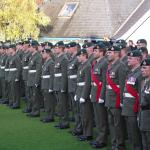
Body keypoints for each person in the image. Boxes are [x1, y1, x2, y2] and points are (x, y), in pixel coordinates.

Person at [105, 45, 126, 150]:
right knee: (112, 124)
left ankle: (120, 145)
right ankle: (114, 144)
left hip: (116, 99)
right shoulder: (111, 65)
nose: (108, 54)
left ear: (117, 53)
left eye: (110, 53)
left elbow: (122, 86)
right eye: (108, 52)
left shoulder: (121, 66)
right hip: (110, 99)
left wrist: (122, 101)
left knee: (118, 125)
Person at [122, 50, 142, 150]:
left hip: (134, 107)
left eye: (130, 58)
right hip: (127, 106)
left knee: (135, 134)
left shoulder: (140, 73)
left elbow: (140, 94)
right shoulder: (132, 72)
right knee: (130, 133)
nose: (128, 60)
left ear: (138, 59)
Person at [90, 42, 108, 148]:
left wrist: (101, 96)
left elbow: (105, 81)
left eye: (96, 51)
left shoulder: (104, 63)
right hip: (94, 91)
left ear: (101, 52)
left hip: (100, 92)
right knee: (97, 118)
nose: (93, 52)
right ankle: (99, 138)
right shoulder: (95, 62)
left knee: (101, 118)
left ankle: (102, 140)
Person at [75, 49, 93, 141]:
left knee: (86, 115)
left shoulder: (87, 66)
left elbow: (87, 82)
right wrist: (77, 93)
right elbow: (79, 81)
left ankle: (88, 134)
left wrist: (84, 96)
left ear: (84, 55)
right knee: (82, 114)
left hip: (84, 93)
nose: (77, 58)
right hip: (80, 91)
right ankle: (84, 132)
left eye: (79, 56)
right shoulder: (82, 65)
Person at [53, 41, 69, 129]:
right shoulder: (57, 58)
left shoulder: (64, 59)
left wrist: (63, 87)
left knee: (63, 104)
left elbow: (64, 74)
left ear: (61, 48)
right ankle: (61, 121)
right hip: (57, 84)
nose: (55, 49)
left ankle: (65, 122)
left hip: (61, 85)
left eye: (57, 48)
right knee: (59, 104)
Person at [27, 40, 42, 117]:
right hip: (30, 78)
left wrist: (36, 81)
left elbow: (38, 70)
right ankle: (33, 110)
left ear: (34, 47)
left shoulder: (38, 56)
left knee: (35, 96)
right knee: (31, 95)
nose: (29, 48)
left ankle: (36, 111)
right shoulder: (32, 55)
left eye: (30, 47)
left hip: (34, 79)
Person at [40, 48, 55, 123]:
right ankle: (47, 115)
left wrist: (51, 87)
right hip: (45, 83)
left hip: (48, 84)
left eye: (44, 53)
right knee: (46, 101)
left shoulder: (51, 62)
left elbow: (52, 75)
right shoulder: (46, 62)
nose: (42, 54)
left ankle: (50, 116)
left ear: (48, 54)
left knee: (49, 101)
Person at [139, 58, 150, 150]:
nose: (142, 70)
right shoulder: (145, 81)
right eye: (142, 68)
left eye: (145, 68)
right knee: (145, 143)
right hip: (143, 117)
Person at [7, 44, 22, 109]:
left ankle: (16, 103)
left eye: (10, 49)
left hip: (14, 75)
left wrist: (17, 77)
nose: (9, 50)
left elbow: (19, 68)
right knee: (11, 90)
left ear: (13, 49)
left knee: (15, 90)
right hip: (11, 75)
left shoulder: (16, 57)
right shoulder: (10, 56)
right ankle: (12, 102)